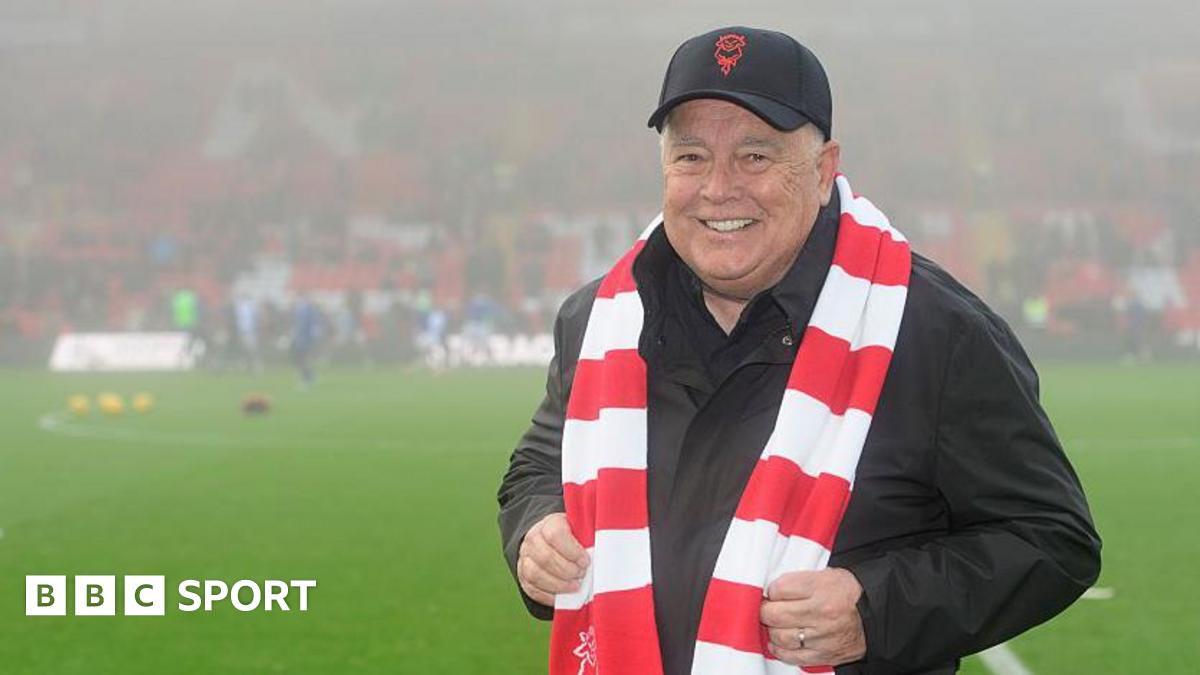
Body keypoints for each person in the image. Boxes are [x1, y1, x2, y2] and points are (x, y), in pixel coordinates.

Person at [497, 26, 1100, 675]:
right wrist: (534, 527)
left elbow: (1052, 538)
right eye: (691, 157)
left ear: (822, 169)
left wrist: (875, 609)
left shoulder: (933, 330)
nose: (719, 188)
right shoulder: (597, 319)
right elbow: (537, 464)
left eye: (755, 156)